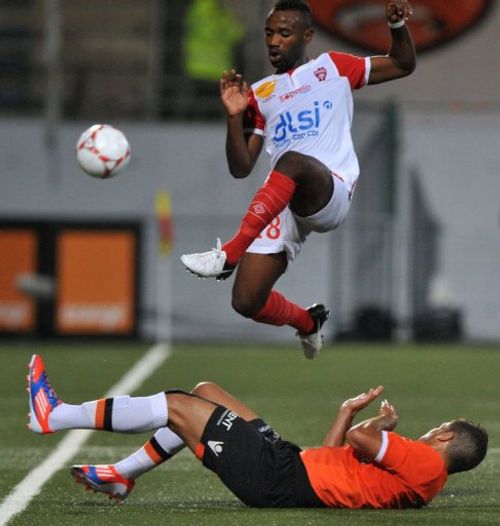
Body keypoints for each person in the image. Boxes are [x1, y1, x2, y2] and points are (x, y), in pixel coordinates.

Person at [181, 0, 417, 358]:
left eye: (284, 33)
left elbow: (402, 64)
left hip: (331, 189)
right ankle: (309, 323)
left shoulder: (335, 67)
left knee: (292, 161)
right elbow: (241, 167)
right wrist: (234, 117)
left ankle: (228, 254)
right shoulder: (259, 95)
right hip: (283, 201)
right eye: (269, 33)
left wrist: (397, 28)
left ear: (307, 36)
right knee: (246, 300)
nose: (274, 40)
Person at [28, 354, 488, 507]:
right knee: (205, 391)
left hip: (274, 478)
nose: (432, 430)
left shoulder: (425, 459)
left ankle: (57, 415)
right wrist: (346, 412)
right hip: (292, 467)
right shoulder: (427, 477)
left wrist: (380, 424)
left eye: (439, 427)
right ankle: (123, 474)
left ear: (447, 437)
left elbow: (361, 442)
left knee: (178, 406)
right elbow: (335, 460)